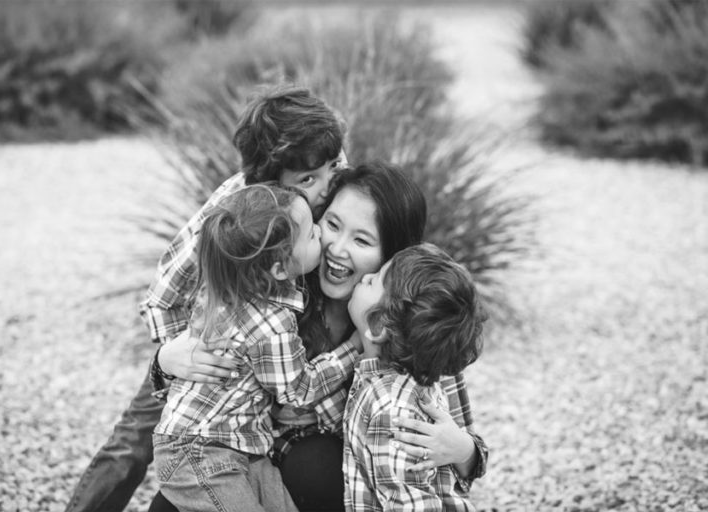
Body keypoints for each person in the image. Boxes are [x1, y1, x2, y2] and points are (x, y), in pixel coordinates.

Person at [65, 84, 347, 512]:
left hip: (263, 358)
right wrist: (177, 355)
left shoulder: (330, 181)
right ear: (268, 182)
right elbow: (164, 294)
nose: (326, 185)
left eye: (332, 166)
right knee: (131, 446)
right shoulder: (234, 206)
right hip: (203, 344)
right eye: (308, 179)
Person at [156, 162, 489, 512]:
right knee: (169, 502)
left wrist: (464, 450)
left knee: (313, 464)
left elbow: (462, 460)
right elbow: (197, 402)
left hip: (335, 482)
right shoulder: (278, 291)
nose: (336, 248)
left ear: (393, 256)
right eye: (331, 225)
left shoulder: (417, 329)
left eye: (361, 240)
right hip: (248, 458)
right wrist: (163, 362)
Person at [154, 184, 362, 512]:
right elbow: (300, 391)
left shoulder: (227, 284)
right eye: (311, 234)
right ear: (279, 269)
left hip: (240, 448)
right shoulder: (271, 321)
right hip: (199, 451)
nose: (320, 232)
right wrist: (353, 347)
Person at [343, 243, 486, 511]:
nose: (364, 278)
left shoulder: (391, 411)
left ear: (378, 325)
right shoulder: (396, 384)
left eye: (372, 282)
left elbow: (410, 504)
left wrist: (468, 451)